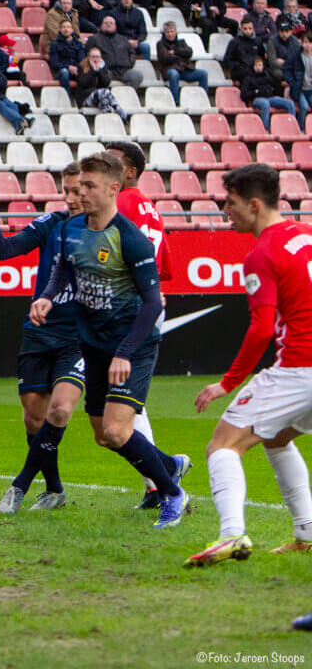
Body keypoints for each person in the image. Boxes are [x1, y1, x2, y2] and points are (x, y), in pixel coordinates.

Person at [30, 152, 192, 529]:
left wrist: (124, 353)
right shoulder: (73, 229)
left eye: (88, 186)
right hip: (95, 344)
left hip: (132, 343)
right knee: (105, 436)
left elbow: (153, 303)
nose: (79, 193)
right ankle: (169, 465)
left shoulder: (130, 238)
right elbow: (64, 272)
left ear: (113, 188)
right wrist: (47, 296)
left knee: (119, 430)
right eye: (78, 186)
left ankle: (171, 493)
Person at [184, 164, 312, 567]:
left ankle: (231, 535)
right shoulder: (305, 234)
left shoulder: (262, 253)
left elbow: (260, 329)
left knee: (222, 446)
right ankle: (307, 534)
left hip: (298, 369)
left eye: (231, 203)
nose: (226, 211)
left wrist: (227, 383)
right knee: (275, 438)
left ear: (254, 204)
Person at [0, 166, 85, 513]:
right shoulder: (51, 223)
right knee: (34, 420)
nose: (72, 198)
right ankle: (55, 490)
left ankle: (20, 485)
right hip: (39, 332)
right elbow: (1, 251)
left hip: (78, 337)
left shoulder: (107, 233)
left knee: (60, 409)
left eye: (78, 191)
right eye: (67, 190)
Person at [105, 140, 175, 505]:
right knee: (129, 406)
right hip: (145, 304)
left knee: (114, 413)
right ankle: (158, 480)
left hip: (125, 309)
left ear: (129, 171)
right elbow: (164, 266)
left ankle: (166, 475)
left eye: (111, 161)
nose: (102, 164)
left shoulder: (125, 203)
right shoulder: (151, 208)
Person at [86, 14, 144, 87]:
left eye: (111, 23)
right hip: (106, 70)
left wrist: (129, 63)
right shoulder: (93, 39)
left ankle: (125, 94)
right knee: (102, 77)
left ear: (115, 26)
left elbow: (132, 54)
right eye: (106, 23)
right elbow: (88, 55)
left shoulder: (123, 39)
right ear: (101, 25)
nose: (108, 25)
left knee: (136, 76)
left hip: (124, 70)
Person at [157, 20, 207, 105]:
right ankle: (175, 102)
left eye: (172, 32)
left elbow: (189, 52)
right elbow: (165, 58)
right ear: (164, 33)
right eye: (167, 32)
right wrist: (181, 55)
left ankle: (204, 100)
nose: (170, 34)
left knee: (203, 73)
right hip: (169, 69)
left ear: (176, 32)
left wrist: (175, 52)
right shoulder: (160, 44)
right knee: (174, 74)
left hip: (184, 69)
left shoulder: (181, 42)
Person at [242, 54, 295, 130]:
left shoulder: (267, 77)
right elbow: (244, 94)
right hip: (256, 99)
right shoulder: (248, 79)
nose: (258, 67)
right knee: (265, 104)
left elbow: (275, 87)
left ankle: (292, 126)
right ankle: (265, 128)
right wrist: (255, 92)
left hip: (270, 98)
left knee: (289, 103)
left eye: (260, 65)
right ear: (253, 67)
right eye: (256, 65)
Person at [224, 18, 266, 83]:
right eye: (245, 29)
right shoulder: (234, 42)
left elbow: (262, 57)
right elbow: (227, 61)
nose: (248, 31)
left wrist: (259, 65)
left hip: (255, 68)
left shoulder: (258, 41)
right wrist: (239, 65)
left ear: (253, 29)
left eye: (250, 28)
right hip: (241, 70)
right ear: (241, 29)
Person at [49, 19, 84, 90]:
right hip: (62, 71)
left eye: (68, 27)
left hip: (76, 70)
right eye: (63, 27)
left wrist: (76, 68)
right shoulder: (54, 45)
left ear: (72, 30)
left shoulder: (79, 44)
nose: (66, 29)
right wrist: (68, 67)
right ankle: (66, 98)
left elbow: (82, 60)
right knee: (64, 72)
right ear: (60, 29)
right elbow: (54, 63)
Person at [290, 33, 312, 121]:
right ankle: (301, 129)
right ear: (302, 43)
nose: (308, 45)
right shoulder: (296, 56)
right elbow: (287, 70)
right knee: (304, 107)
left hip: (311, 89)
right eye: (306, 42)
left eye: (310, 42)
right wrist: (292, 82)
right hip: (300, 89)